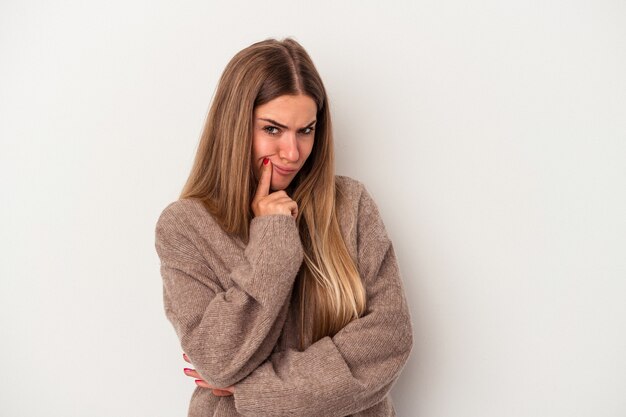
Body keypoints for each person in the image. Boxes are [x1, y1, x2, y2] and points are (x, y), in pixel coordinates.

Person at [154, 38, 413, 417]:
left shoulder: (350, 205)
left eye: (306, 130)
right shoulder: (185, 228)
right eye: (272, 129)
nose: (293, 153)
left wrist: (252, 390)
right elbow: (217, 361)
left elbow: (389, 338)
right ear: (234, 126)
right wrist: (273, 238)